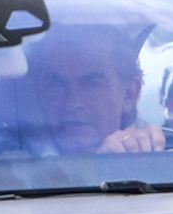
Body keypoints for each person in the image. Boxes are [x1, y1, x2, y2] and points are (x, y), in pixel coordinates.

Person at [27, 27, 164, 154]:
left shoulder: (166, 157)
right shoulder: (15, 163)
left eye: (91, 84)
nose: (72, 104)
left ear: (129, 93)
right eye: (56, 84)